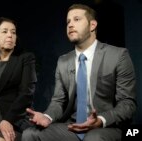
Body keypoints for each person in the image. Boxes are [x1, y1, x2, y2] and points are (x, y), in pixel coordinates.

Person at [22, 3, 136, 141]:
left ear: (92, 25)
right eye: (68, 21)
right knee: (30, 134)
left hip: (107, 127)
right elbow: (58, 101)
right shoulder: (63, 61)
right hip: (72, 127)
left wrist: (100, 120)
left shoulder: (118, 55)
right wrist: (47, 117)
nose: (70, 25)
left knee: (93, 138)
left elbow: (127, 104)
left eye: (76, 19)